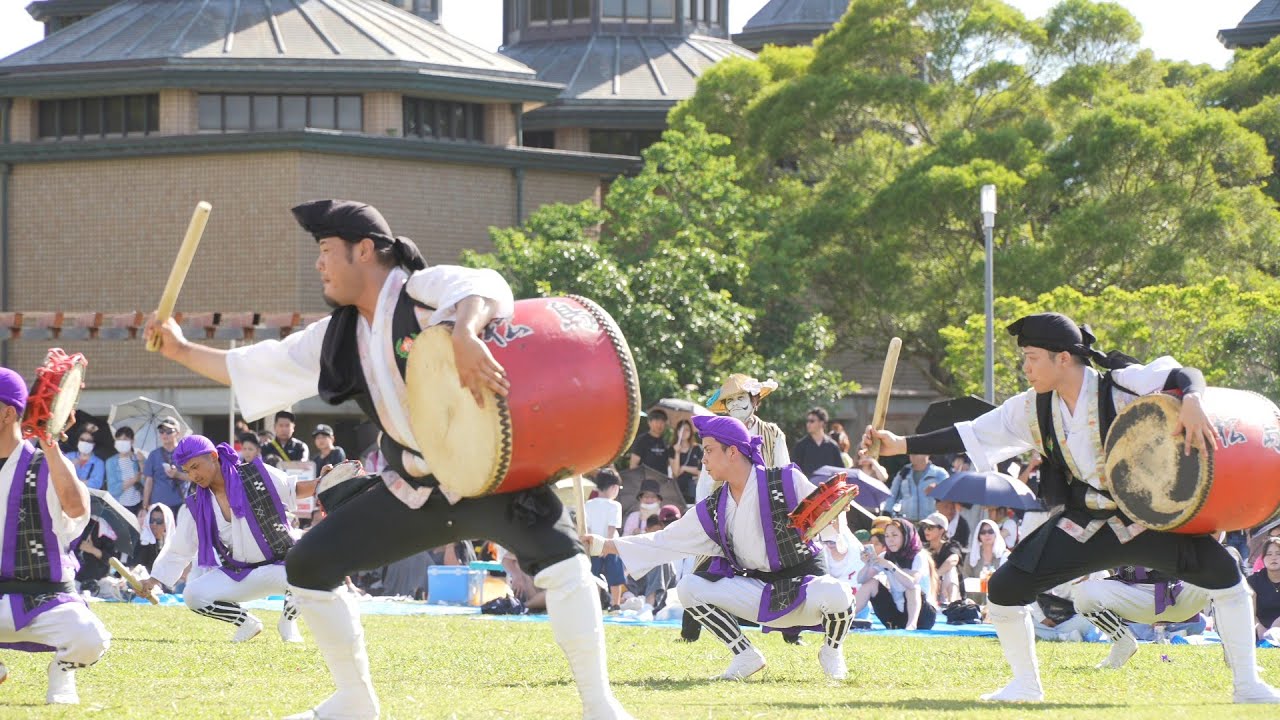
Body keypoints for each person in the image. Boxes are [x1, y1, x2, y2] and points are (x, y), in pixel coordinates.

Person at [144, 199, 629, 720]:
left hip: (489, 479)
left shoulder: (420, 291)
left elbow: (484, 286)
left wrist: (465, 334)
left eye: (327, 250)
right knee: (307, 566)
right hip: (415, 488)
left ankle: (599, 705)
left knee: (565, 561)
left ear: (366, 250)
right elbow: (259, 365)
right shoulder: (338, 336)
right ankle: (354, 701)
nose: (319, 264)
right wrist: (178, 349)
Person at [863, 311, 1280, 703]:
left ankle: (1248, 683)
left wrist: (1191, 398)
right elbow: (972, 433)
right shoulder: (1031, 406)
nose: (1025, 367)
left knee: (1227, 577)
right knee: (1006, 591)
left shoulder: (1120, 382)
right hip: (1086, 524)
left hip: (1146, 519)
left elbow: (1182, 375)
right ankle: (1025, 686)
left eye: (1031, 358)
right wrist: (901, 445)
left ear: (1063, 358)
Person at [586, 415, 855, 681]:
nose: (703, 459)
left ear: (733, 451)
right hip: (758, 595)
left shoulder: (787, 480)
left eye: (708, 450)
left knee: (838, 593)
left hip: (802, 589)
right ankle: (745, 655)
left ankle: (832, 651)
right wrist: (603, 545)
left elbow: (826, 515)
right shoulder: (715, 507)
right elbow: (665, 540)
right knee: (689, 587)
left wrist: (837, 519)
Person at [0, 367, 111, 704]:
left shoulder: (45, 462)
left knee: (92, 638)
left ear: (7, 413)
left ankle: (62, 670)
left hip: (46, 601)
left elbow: (77, 509)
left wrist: (49, 443)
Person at [139, 435, 303, 644]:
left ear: (213, 456)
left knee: (312, 570)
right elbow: (180, 548)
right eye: (188, 471)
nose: (194, 475)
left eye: (196, 466)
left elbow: (293, 490)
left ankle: (288, 621)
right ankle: (247, 622)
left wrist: (326, 482)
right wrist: (154, 580)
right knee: (193, 595)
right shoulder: (198, 504)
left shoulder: (256, 474)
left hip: (280, 566)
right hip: (241, 573)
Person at [1073, 566, 1212, 668]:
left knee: (1220, 572)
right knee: (1083, 593)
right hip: (1134, 596)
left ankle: (1232, 653)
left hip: (1180, 596)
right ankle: (1123, 642)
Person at [698, 373, 790, 500]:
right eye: (730, 400)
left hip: (766, 505)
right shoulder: (715, 436)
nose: (735, 404)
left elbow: (784, 474)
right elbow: (705, 481)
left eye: (740, 398)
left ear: (754, 400)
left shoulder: (773, 434)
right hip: (728, 505)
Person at [853, 517, 937, 630]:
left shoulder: (918, 556)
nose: (890, 540)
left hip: (922, 617)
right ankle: (846, 618)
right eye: (887, 536)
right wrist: (867, 564)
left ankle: (911, 626)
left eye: (894, 535)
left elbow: (911, 583)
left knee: (913, 588)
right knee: (871, 583)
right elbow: (861, 580)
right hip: (896, 614)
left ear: (906, 536)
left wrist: (891, 567)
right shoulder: (885, 556)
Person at [584, 468, 626, 609]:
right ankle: (616, 604)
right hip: (611, 545)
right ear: (614, 487)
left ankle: (594, 605)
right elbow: (612, 528)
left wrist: (592, 546)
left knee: (593, 577)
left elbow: (587, 528)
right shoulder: (615, 505)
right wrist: (606, 546)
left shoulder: (588, 504)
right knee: (615, 578)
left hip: (593, 546)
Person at [141, 416, 190, 518]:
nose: (164, 434)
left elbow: (194, 477)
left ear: (177, 433)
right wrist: (145, 506)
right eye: (161, 431)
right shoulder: (153, 455)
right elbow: (148, 481)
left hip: (180, 504)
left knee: (179, 533)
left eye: (169, 431)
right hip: (158, 505)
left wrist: (177, 474)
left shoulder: (186, 453)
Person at [961, 518, 1009, 606]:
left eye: (990, 531)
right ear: (979, 536)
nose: (987, 534)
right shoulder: (971, 556)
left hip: (998, 603)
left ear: (996, 534)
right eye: (983, 532)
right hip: (974, 603)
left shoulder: (1005, 556)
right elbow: (966, 581)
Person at [886, 452, 947, 522]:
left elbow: (950, 494)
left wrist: (938, 489)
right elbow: (892, 495)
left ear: (927, 453)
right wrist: (886, 513)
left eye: (917, 452)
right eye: (911, 453)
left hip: (931, 523)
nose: (912, 455)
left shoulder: (939, 473)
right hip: (908, 522)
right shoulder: (904, 472)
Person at [919, 512, 962, 606]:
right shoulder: (923, 549)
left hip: (946, 589)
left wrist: (936, 575)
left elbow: (953, 560)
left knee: (951, 570)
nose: (926, 530)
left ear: (941, 530)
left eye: (930, 527)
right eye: (925, 527)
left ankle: (952, 604)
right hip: (930, 589)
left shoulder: (951, 545)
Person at [791, 407, 843, 476]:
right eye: (807, 421)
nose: (808, 424)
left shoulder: (832, 446)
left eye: (812, 421)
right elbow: (794, 471)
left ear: (821, 423)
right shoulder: (801, 445)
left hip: (828, 486)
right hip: (808, 486)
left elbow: (840, 470)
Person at [105, 426, 145, 514]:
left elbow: (146, 484)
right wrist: (134, 480)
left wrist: (141, 462)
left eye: (125, 439)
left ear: (132, 441)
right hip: (119, 506)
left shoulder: (138, 458)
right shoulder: (111, 462)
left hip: (139, 505)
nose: (121, 443)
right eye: (118, 440)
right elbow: (113, 490)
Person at [1250, 537, 1280, 645]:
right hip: (1260, 630)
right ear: (1263, 558)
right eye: (1269, 554)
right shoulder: (1253, 581)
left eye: (1278, 553)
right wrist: (1259, 628)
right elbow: (1250, 613)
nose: (1274, 558)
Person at [134, 503, 176, 576]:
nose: (154, 524)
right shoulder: (143, 542)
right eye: (152, 520)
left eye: (159, 521)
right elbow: (138, 567)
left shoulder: (172, 545)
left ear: (166, 524)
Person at [668, 419, 703, 504]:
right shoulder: (672, 449)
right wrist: (677, 453)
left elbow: (701, 470)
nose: (683, 432)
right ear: (677, 431)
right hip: (678, 488)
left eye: (687, 429)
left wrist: (684, 468)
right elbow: (675, 473)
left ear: (691, 432)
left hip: (694, 487)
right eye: (681, 429)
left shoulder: (697, 448)